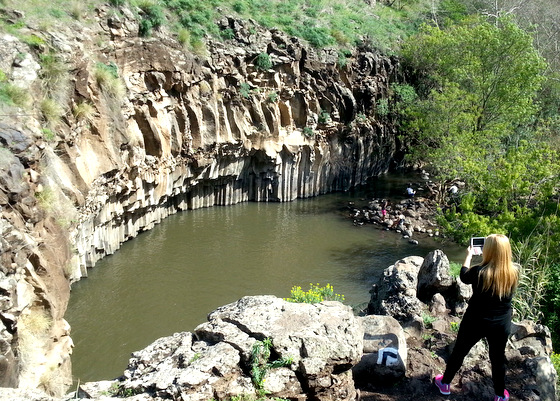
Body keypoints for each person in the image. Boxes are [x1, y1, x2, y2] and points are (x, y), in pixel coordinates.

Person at [434, 234, 518, 401]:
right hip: (501, 323)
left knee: (460, 351)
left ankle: (445, 384)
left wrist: (469, 255)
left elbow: (463, 276)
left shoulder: (479, 272)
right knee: (497, 358)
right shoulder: (514, 272)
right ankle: (500, 395)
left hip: (476, 320)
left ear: (488, 250)